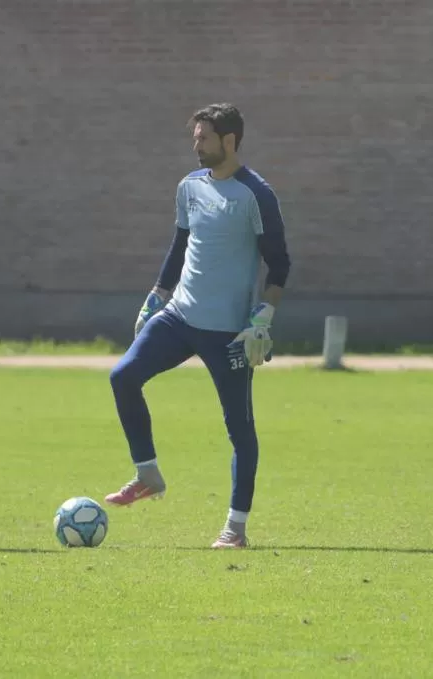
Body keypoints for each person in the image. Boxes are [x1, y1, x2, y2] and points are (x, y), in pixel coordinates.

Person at [105, 102, 291, 549]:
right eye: (195, 136)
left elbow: (280, 263)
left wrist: (264, 314)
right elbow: (179, 246)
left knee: (239, 429)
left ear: (229, 141)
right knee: (123, 376)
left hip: (228, 333)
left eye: (203, 137)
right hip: (178, 317)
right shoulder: (189, 187)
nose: (195, 144)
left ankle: (235, 529)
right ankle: (147, 474)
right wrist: (155, 297)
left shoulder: (256, 195)